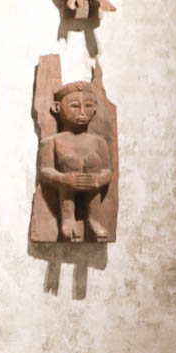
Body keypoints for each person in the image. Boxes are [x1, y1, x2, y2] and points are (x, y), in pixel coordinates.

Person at [39, 82, 113, 242]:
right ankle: (68, 219)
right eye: (74, 106)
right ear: (57, 107)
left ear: (95, 108)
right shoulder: (52, 141)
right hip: (66, 188)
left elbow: (108, 171)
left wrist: (99, 179)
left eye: (88, 106)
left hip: (92, 187)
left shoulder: (99, 142)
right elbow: (45, 171)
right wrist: (64, 179)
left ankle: (94, 219)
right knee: (70, 162)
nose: (82, 112)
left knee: (93, 162)